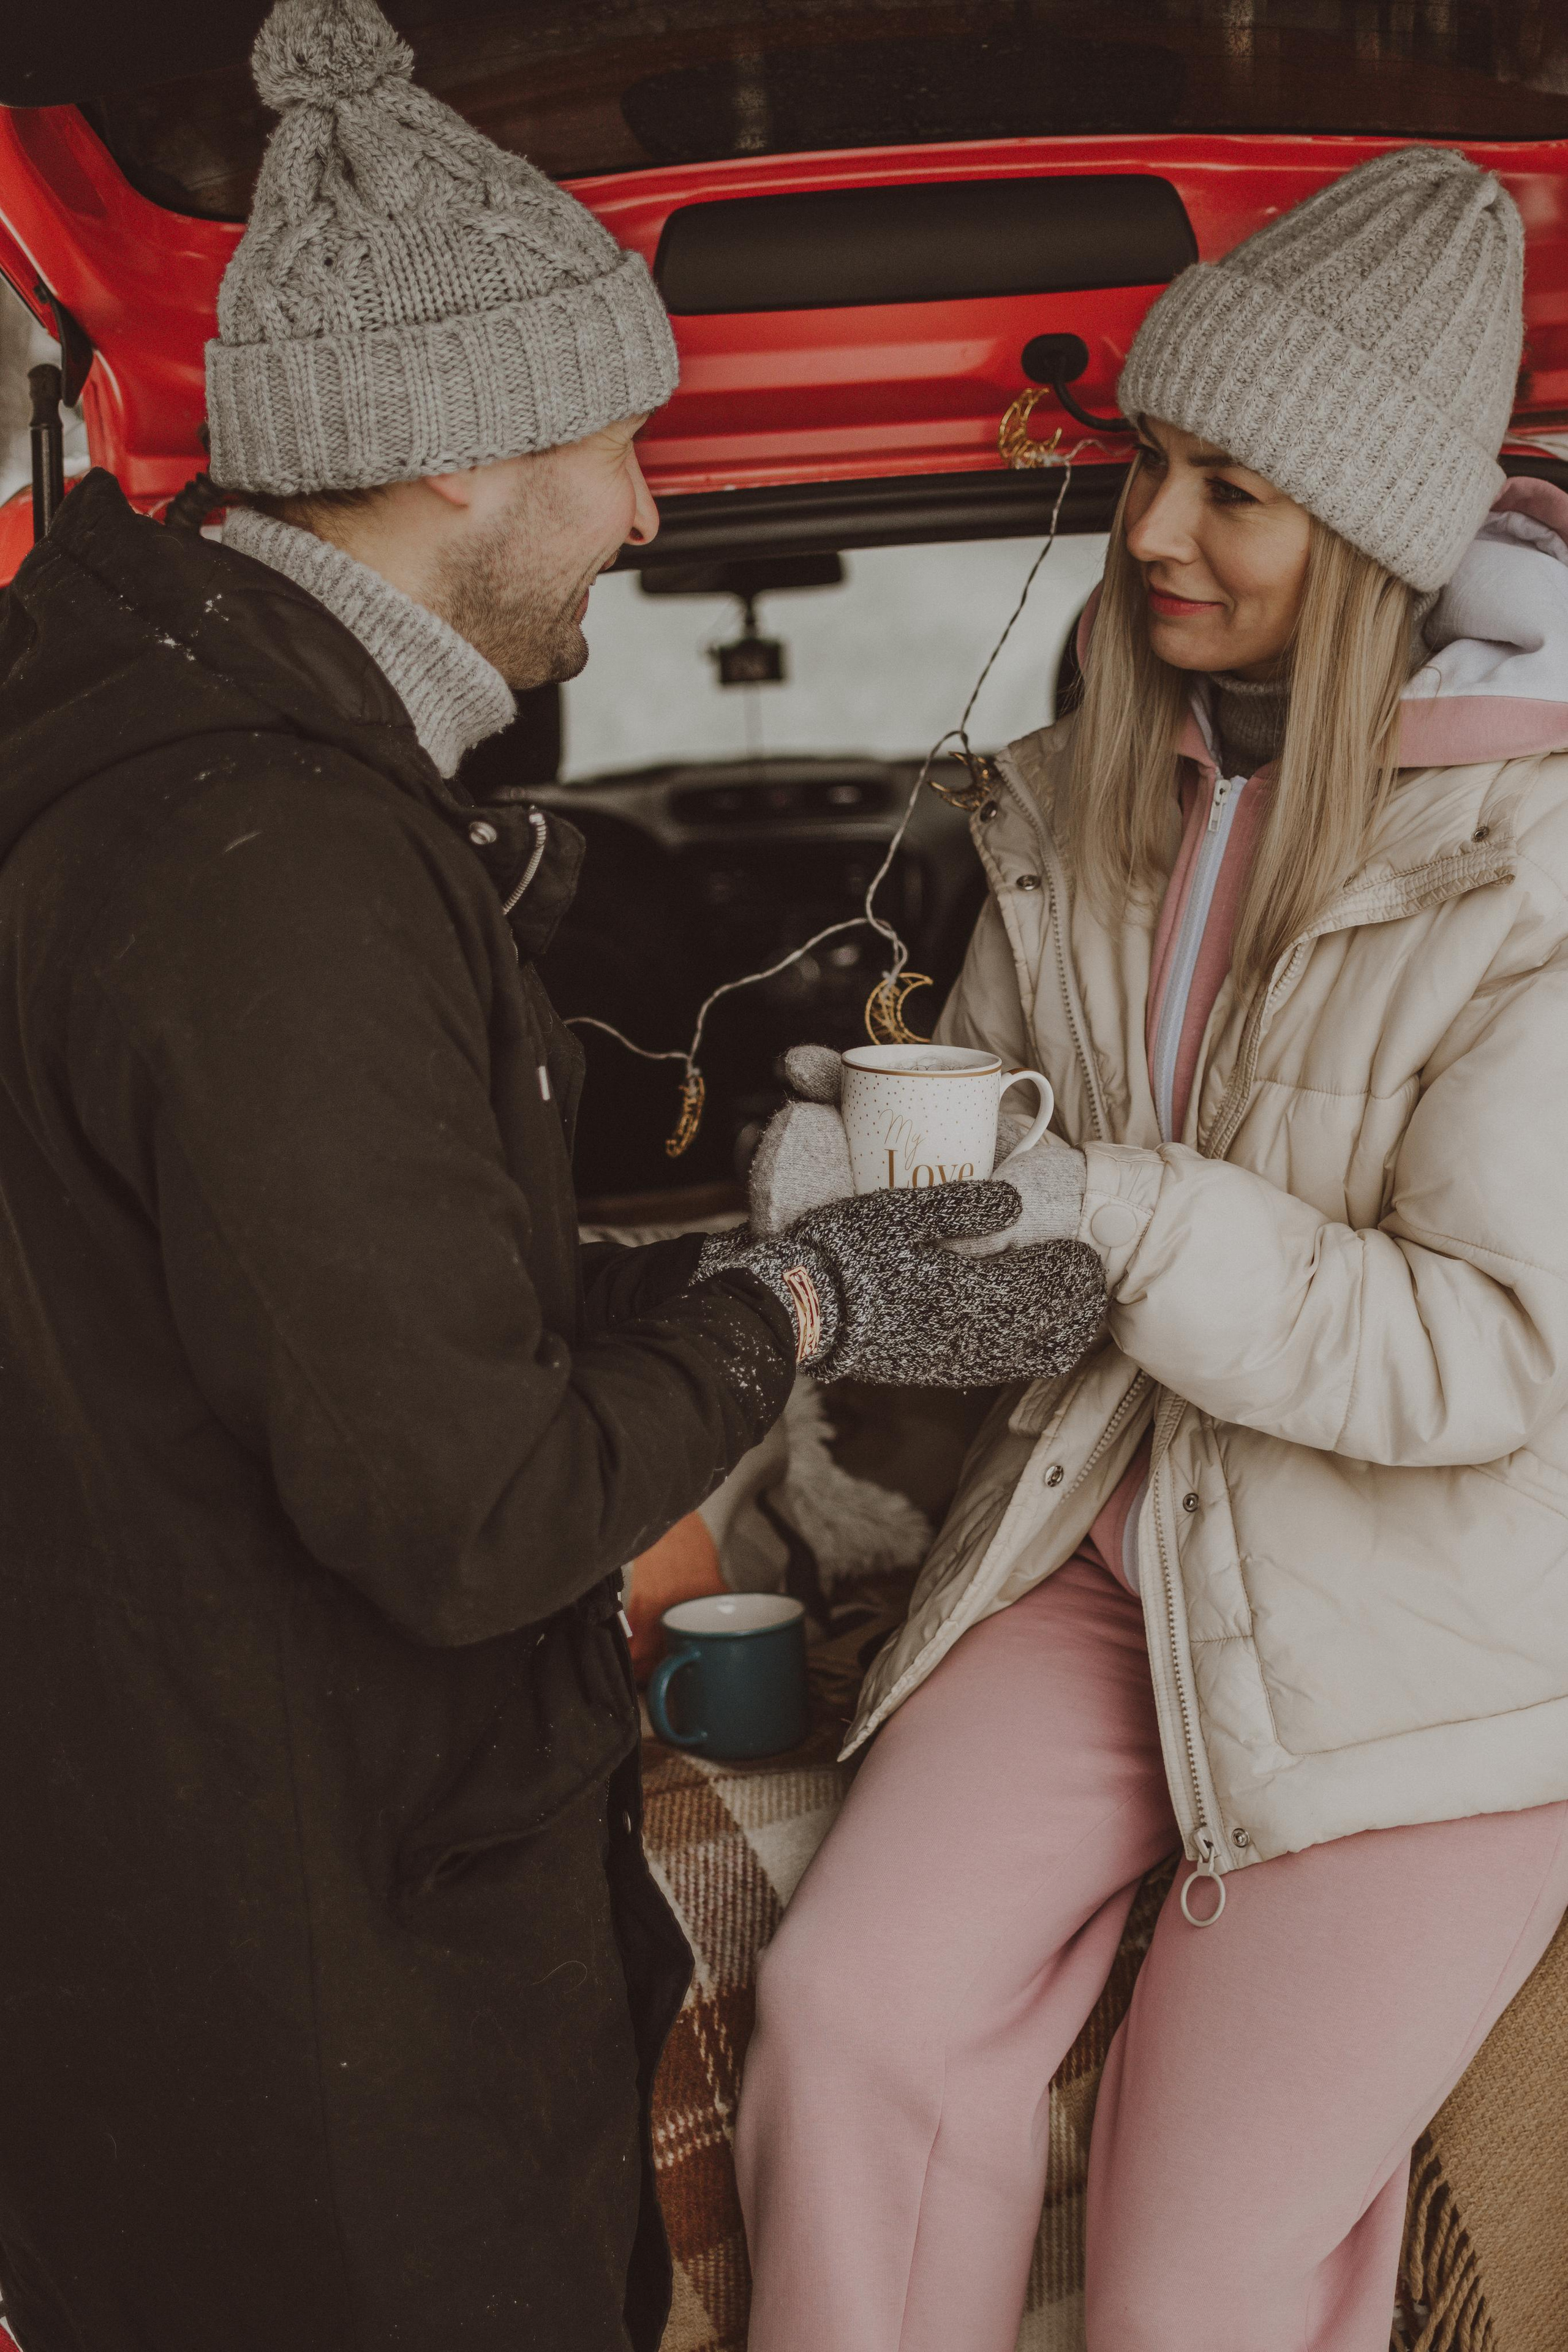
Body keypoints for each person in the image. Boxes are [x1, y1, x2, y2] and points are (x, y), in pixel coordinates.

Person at [0, 4, 1104, 2348]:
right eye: (620, 446)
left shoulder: (153, 753)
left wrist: (711, 1264)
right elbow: (471, 1510)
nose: (647, 510)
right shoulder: (269, 862)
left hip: (166, 1907)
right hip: (323, 2002)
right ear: (456, 461)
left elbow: (349, 1328)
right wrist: (800, 1309)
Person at [735, 145, 1568, 2352]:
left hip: (1439, 1648)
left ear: (1380, 539)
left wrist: (1119, 1210)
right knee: (854, 2022)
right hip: (1115, 1543)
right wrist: (871, 1220)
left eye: (1238, 492)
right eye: (1154, 466)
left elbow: (1496, 1357)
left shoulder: (1540, 856)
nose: (1159, 534)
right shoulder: (1094, 779)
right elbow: (1048, 1244)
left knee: (1193, 2278)